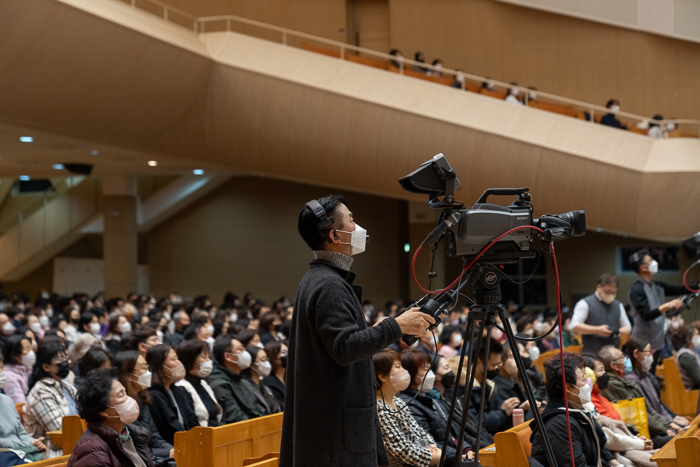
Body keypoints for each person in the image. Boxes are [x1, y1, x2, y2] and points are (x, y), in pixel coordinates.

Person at [280, 195, 432, 467]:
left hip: (334, 423)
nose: (358, 226)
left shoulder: (322, 279)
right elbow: (345, 347)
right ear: (334, 235)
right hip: (336, 433)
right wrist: (396, 326)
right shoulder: (329, 285)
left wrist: (390, 327)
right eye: (350, 219)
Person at [530, 353, 620, 467]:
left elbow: (599, 447)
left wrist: (615, 464)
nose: (589, 384)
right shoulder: (560, 424)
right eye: (583, 379)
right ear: (568, 387)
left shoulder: (576, 411)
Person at [397, 349, 469, 466]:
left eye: (430, 369)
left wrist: (467, 449)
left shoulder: (430, 396)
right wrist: (460, 456)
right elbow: (426, 443)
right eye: (426, 369)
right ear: (409, 373)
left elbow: (453, 431)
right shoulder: (408, 404)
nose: (431, 374)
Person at [68, 369, 155, 467]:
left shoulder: (131, 434)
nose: (129, 399)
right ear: (104, 411)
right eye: (121, 395)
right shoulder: (93, 450)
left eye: (125, 392)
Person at [373, 349, 441, 467]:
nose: (404, 371)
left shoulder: (398, 401)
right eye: (398, 367)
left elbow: (418, 431)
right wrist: (434, 457)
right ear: (383, 376)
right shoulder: (379, 409)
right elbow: (402, 449)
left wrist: (433, 447)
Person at [628, 249, 691, 373]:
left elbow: (678, 289)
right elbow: (646, 315)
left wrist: (696, 288)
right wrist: (667, 305)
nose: (654, 262)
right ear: (642, 267)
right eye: (650, 261)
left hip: (656, 341)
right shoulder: (636, 289)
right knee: (642, 375)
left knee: (651, 375)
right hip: (642, 342)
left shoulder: (657, 286)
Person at [598, 345, 674, 447]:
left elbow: (649, 409)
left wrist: (667, 426)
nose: (625, 359)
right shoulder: (613, 385)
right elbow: (639, 413)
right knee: (679, 441)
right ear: (614, 365)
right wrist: (665, 429)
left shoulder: (623, 379)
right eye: (621, 357)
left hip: (655, 429)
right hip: (645, 435)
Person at [113, 350, 174, 460]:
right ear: (129, 375)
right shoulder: (122, 406)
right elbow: (132, 448)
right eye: (143, 368)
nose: (148, 372)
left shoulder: (143, 398)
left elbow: (155, 436)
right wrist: (166, 453)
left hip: (153, 456)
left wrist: (171, 450)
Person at [23, 342, 78, 457]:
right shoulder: (41, 392)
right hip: (52, 450)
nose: (65, 364)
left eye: (66, 359)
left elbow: (86, 408)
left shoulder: (65, 385)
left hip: (77, 441)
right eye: (60, 361)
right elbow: (61, 429)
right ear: (46, 367)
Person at [622, 337, 688, 431]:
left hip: (663, 422)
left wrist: (672, 418)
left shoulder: (645, 375)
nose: (651, 355)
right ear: (636, 354)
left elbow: (658, 405)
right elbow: (648, 411)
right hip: (655, 428)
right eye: (649, 351)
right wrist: (668, 424)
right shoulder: (631, 381)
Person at [145, 344, 199, 445]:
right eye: (173, 359)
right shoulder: (154, 395)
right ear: (159, 365)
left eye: (177, 358)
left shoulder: (181, 390)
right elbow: (170, 428)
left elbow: (193, 421)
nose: (179, 363)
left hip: (191, 444)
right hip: (174, 448)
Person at [570, 273, 631, 355]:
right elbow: (574, 325)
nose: (610, 295)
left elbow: (628, 328)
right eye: (607, 291)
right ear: (599, 287)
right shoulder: (585, 303)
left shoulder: (618, 305)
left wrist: (617, 331)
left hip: (613, 354)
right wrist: (597, 330)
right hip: (592, 354)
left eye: (614, 293)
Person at [206, 335, 261, 423]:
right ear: (228, 356)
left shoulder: (243, 381)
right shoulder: (219, 384)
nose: (245, 353)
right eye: (240, 349)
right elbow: (235, 417)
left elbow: (256, 411)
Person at [470, 338, 519, 435]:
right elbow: (474, 424)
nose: (497, 369)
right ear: (478, 362)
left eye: (499, 364)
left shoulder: (489, 385)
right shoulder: (463, 388)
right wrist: (502, 412)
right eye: (494, 365)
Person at [175, 339, 222, 427]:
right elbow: (190, 422)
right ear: (190, 360)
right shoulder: (182, 386)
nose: (208, 361)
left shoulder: (203, 383)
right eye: (204, 357)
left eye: (209, 357)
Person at [492, 346, 543, 422]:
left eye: (516, 355)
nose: (516, 359)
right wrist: (522, 408)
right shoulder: (498, 386)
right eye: (511, 356)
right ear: (501, 362)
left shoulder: (511, 379)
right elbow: (506, 419)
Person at [0, 387, 47, 461]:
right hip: (6, 454)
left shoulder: (7, 400)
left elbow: (21, 432)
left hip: (23, 450)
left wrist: (35, 442)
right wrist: (28, 444)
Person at [243, 345, 280, 416]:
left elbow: (277, 409)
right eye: (263, 360)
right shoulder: (247, 388)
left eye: (267, 359)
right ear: (252, 365)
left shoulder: (264, 387)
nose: (267, 363)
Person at [581, 354, 620, 421]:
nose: (604, 373)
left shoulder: (601, 398)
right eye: (600, 370)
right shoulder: (588, 400)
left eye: (604, 370)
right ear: (589, 374)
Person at [2, 334, 33, 403]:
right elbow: (19, 404)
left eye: (31, 348)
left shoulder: (27, 367)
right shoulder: (9, 376)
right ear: (15, 355)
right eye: (27, 349)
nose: (31, 352)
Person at [671, 324, 700, 389]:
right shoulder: (685, 356)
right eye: (696, 334)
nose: (699, 336)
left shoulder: (689, 353)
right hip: (693, 392)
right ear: (688, 339)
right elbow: (698, 378)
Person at [263, 341, 287, 410]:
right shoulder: (268, 381)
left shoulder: (289, 377)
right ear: (273, 357)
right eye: (283, 352)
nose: (287, 355)